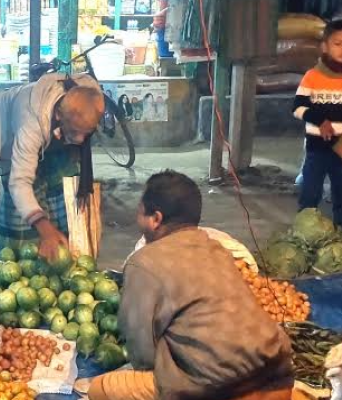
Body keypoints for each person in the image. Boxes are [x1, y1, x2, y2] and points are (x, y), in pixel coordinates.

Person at [88, 171, 293, 400]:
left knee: (99, 389)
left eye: (139, 213)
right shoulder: (218, 249)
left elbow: (143, 355)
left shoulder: (143, 262)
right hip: (278, 380)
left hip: (218, 390)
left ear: (156, 218)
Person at [0, 73, 104, 260]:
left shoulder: (89, 96)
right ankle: (22, 259)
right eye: (75, 131)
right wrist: (45, 229)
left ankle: (62, 253)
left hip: (54, 131)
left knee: (64, 192)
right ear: (58, 114)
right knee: (23, 212)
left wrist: (72, 136)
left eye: (86, 133)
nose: (81, 140)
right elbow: (19, 182)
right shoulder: (30, 123)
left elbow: (78, 136)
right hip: (8, 130)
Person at [294, 20, 342, 224]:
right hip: (316, 149)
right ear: (324, 46)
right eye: (338, 43)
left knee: (341, 194)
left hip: (341, 150)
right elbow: (297, 107)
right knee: (310, 193)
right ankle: (305, 232)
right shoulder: (312, 77)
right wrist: (320, 121)